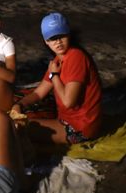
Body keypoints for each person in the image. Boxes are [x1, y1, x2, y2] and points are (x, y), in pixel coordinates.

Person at [12, 12, 102, 144]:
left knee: (14, 129)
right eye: (53, 38)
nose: (58, 42)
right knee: (17, 113)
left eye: (61, 36)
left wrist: (54, 76)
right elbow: (39, 92)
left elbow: (68, 102)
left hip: (81, 127)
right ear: (46, 42)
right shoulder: (58, 60)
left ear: (69, 35)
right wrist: (19, 105)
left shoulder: (76, 56)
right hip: (66, 119)